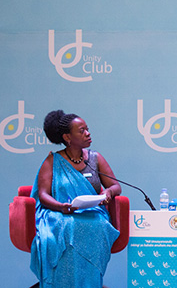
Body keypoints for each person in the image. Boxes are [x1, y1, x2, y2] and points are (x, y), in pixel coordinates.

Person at [30, 110, 122, 288]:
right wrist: (61, 207)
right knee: (68, 227)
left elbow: (115, 186)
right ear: (67, 137)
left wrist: (108, 193)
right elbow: (43, 195)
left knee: (99, 226)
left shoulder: (95, 158)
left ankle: (90, 283)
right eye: (81, 130)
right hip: (60, 213)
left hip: (93, 213)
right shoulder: (52, 160)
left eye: (87, 129)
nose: (88, 133)